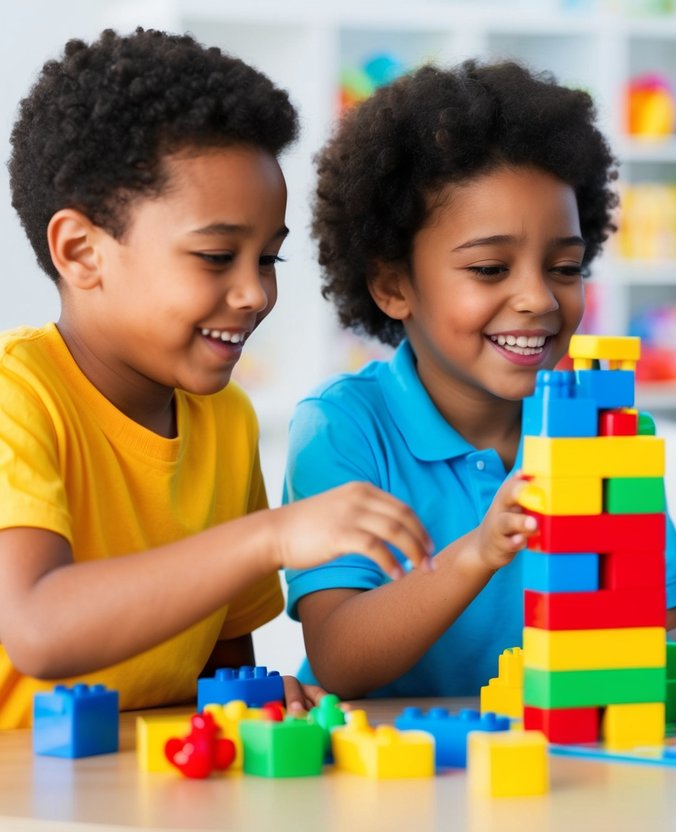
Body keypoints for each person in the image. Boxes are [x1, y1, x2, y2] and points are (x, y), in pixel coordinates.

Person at [0, 29, 431, 729]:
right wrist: (270, 536)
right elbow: (39, 628)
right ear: (81, 252)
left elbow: (221, 671)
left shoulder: (223, 419)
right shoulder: (17, 398)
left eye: (268, 260)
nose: (255, 293)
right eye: (215, 256)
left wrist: (259, 699)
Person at [286, 59, 676, 700]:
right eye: (489, 269)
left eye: (565, 267)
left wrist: (613, 662)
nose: (538, 299)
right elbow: (340, 658)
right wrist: (478, 553)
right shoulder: (343, 428)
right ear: (393, 285)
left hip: (562, 772)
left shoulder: (598, 431)